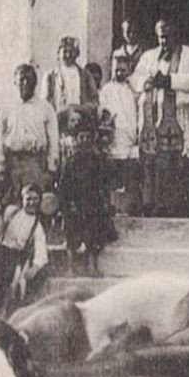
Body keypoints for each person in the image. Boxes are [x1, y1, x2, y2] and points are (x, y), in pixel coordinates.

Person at [132, 18, 189, 163]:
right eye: (161, 37)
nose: (164, 41)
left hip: (180, 117)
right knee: (153, 164)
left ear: (176, 34)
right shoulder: (148, 56)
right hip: (152, 118)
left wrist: (169, 81)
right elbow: (135, 79)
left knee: (179, 163)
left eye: (168, 36)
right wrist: (147, 81)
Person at [57, 107, 114, 276]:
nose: (85, 140)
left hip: (92, 203)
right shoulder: (71, 162)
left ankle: (92, 265)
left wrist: (104, 201)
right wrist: (69, 205)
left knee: (95, 228)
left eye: (88, 137)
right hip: (74, 204)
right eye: (81, 137)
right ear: (76, 139)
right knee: (71, 230)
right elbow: (63, 187)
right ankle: (71, 266)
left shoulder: (97, 160)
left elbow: (104, 183)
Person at [0, 63, 59, 201]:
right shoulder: (7, 108)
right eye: (21, 80)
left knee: (35, 204)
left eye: (29, 80)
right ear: (15, 82)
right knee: (12, 205)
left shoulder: (46, 108)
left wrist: (51, 169)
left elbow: (53, 141)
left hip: (36, 164)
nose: (25, 84)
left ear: (35, 83)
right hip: (12, 164)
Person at [0, 183, 49, 315]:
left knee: (11, 294)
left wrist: (34, 269)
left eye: (35, 199)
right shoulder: (11, 211)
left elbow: (41, 253)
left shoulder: (37, 226)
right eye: (28, 199)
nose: (31, 202)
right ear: (22, 199)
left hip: (15, 258)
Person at [134, 47, 185, 218]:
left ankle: (168, 205)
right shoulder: (148, 59)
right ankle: (149, 204)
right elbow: (136, 81)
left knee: (169, 167)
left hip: (169, 127)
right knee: (149, 167)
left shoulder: (184, 61)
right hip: (149, 129)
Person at [99, 53, 142, 213]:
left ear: (128, 70)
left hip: (131, 140)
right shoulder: (107, 90)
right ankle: (114, 208)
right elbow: (104, 113)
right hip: (114, 139)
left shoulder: (133, 90)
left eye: (123, 70)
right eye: (116, 70)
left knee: (130, 176)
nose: (119, 73)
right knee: (113, 179)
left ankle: (128, 209)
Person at [44, 35, 98, 110]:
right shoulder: (50, 76)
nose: (68, 55)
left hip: (79, 118)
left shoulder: (85, 75)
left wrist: (83, 108)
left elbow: (94, 99)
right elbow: (45, 102)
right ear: (58, 54)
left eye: (71, 52)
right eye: (65, 51)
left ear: (76, 53)